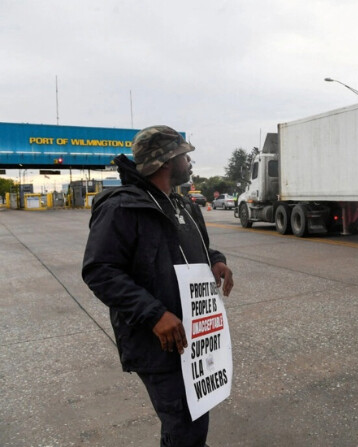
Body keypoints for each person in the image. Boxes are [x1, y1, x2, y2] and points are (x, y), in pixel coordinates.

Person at [82, 125, 233, 447]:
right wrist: (154, 314)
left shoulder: (183, 205)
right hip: (158, 341)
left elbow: (200, 249)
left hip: (195, 335)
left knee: (195, 416)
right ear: (166, 161)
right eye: (184, 156)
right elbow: (100, 271)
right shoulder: (122, 207)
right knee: (182, 423)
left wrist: (216, 260)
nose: (190, 163)